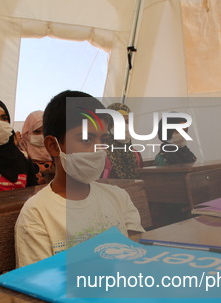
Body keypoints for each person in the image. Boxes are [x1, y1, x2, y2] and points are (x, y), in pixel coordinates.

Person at [14, 91, 144, 267]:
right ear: (53, 146)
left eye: (103, 140)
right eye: (86, 139)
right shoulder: (37, 214)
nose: (98, 150)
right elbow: (38, 284)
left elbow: (138, 261)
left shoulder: (119, 198)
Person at [101, 102, 143, 179]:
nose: (125, 126)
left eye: (127, 122)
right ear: (109, 124)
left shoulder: (136, 155)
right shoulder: (102, 154)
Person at [18, 110, 55, 184]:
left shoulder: (56, 149)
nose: (41, 135)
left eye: (44, 131)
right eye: (37, 132)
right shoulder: (19, 150)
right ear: (27, 132)